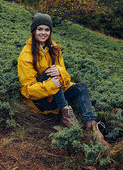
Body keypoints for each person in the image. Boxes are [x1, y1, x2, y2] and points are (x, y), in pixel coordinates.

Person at [17, 13, 110, 146]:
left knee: (81, 87)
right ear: (34, 31)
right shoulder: (26, 54)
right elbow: (26, 90)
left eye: (47, 29)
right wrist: (51, 84)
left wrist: (60, 72)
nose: (43, 33)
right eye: (40, 29)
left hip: (55, 95)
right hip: (40, 102)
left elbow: (66, 78)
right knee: (50, 72)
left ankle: (92, 127)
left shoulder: (55, 49)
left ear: (50, 31)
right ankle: (68, 118)